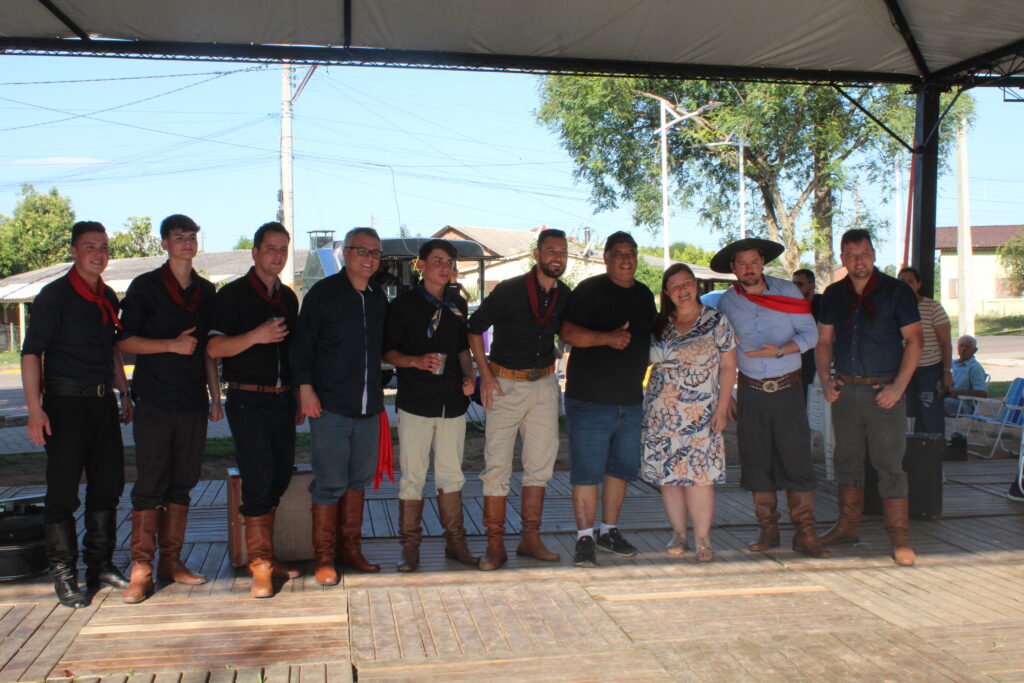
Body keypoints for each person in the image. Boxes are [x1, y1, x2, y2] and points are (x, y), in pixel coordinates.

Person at [21, 221, 133, 609]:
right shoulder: (54, 296)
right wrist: (34, 410)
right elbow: (31, 353)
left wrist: (124, 392)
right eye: (90, 246)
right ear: (74, 251)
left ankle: (99, 566)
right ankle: (65, 575)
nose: (98, 254)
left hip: (102, 404)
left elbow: (112, 350)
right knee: (63, 492)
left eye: (103, 247)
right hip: (64, 405)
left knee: (108, 486)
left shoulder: (108, 296)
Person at [118, 214, 222, 603]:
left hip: (192, 400)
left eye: (192, 237)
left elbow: (208, 349)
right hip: (154, 400)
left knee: (183, 481)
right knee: (150, 483)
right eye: (179, 237)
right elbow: (124, 342)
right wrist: (170, 345)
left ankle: (171, 562)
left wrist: (215, 396)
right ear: (164, 243)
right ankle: (141, 569)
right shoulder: (145, 286)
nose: (187, 243)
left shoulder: (206, 291)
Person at [714, 239, 830, 559]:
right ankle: (768, 529)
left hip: (788, 388)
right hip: (750, 391)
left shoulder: (788, 291)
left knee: (797, 458)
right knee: (756, 459)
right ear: (733, 268)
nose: (748, 268)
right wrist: (725, 395)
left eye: (753, 262)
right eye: (742, 263)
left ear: (762, 262)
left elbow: (811, 335)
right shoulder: (727, 302)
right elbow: (720, 350)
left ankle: (806, 534)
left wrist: (781, 350)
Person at [207, 222, 302, 598]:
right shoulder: (231, 295)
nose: (277, 255)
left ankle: (269, 556)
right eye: (271, 248)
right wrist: (255, 336)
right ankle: (259, 564)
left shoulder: (289, 298)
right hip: (248, 399)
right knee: (258, 478)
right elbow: (213, 349)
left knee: (280, 475)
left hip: (283, 399)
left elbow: (293, 354)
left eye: (283, 249)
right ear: (255, 252)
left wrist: (298, 397)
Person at [816, 228, 922, 566]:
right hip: (846, 390)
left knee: (889, 465)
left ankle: (899, 537)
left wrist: (898, 387)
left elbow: (915, 341)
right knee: (846, 461)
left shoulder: (897, 291)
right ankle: (847, 527)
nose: (858, 261)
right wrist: (825, 381)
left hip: (884, 391)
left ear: (874, 254)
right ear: (842, 258)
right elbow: (823, 342)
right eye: (851, 255)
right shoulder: (833, 294)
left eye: (863, 254)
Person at [467, 228, 569, 571]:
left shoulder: (564, 294)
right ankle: (494, 545)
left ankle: (530, 539)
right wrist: (486, 376)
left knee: (540, 466)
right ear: (537, 254)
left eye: (562, 252)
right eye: (551, 251)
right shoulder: (510, 289)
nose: (557, 257)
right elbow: (474, 329)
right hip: (505, 385)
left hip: (544, 386)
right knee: (497, 466)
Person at [291, 227, 386, 584]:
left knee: (358, 481)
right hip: (329, 406)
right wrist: (305, 390)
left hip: (368, 408)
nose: (369, 258)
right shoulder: (323, 293)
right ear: (345, 253)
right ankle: (325, 557)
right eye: (362, 251)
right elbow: (302, 346)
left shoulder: (378, 297)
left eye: (375, 253)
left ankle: (351, 549)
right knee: (330, 483)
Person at [559, 231, 657, 568]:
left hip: (630, 400)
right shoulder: (589, 290)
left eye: (631, 253)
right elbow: (567, 333)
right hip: (590, 400)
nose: (626, 259)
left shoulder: (644, 295)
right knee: (587, 471)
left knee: (620, 470)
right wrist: (607, 338)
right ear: (606, 257)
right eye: (619, 253)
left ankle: (608, 531)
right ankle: (584, 538)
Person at [383, 239, 477, 572]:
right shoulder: (402, 305)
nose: (445, 267)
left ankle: (456, 542)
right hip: (416, 402)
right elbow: (388, 352)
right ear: (421, 265)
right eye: (438, 260)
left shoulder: (457, 304)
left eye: (450, 262)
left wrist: (470, 376)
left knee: (452, 474)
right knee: (413, 475)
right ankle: (410, 547)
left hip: (452, 401)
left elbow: (463, 348)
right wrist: (415, 361)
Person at [641, 264, 736, 562]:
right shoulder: (659, 324)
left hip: (701, 412)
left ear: (695, 285)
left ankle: (703, 538)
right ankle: (679, 533)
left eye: (687, 283)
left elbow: (728, 366)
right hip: (661, 413)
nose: (682, 290)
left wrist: (723, 407)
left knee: (699, 476)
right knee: (669, 477)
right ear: (667, 292)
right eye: (675, 285)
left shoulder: (716, 320)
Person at [898, 267, 952, 435]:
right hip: (904, 369)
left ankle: (934, 450)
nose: (906, 285)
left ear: (918, 284)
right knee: (906, 413)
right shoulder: (893, 308)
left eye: (910, 281)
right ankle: (913, 450)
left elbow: (945, 343)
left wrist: (947, 372)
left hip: (930, 368)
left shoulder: (932, 307)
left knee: (930, 414)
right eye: (902, 281)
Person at [791, 268, 821, 399]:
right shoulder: (789, 306)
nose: (795, 288)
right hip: (795, 360)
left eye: (800, 284)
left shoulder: (823, 304)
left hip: (817, 360)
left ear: (812, 286)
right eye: (793, 284)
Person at [945, 335, 988, 416]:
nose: (963, 349)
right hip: (947, 399)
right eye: (961, 346)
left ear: (974, 350)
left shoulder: (975, 368)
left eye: (967, 346)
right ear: (957, 348)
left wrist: (956, 392)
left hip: (962, 405)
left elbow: (982, 394)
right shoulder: (952, 364)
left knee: (933, 404)